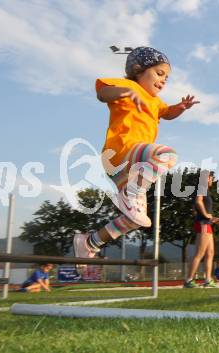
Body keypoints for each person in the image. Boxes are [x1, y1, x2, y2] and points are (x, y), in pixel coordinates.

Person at [73, 47, 199, 268]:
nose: (163, 81)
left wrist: (180, 108)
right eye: (159, 74)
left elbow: (166, 113)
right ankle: (134, 192)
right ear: (138, 70)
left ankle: (89, 243)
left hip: (126, 168)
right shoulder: (130, 86)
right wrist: (123, 92)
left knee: (135, 219)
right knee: (166, 154)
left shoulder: (154, 101)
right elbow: (102, 93)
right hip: (122, 152)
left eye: (166, 78)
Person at [184, 171, 219, 288]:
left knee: (210, 253)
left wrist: (211, 217)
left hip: (207, 224)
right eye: (211, 178)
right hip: (203, 224)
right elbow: (198, 202)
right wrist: (206, 215)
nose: (212, 180)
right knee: (199, 254)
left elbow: (198, 207)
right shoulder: (201, 188)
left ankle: (208, 280)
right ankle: (189, 280)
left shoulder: (206, 190)